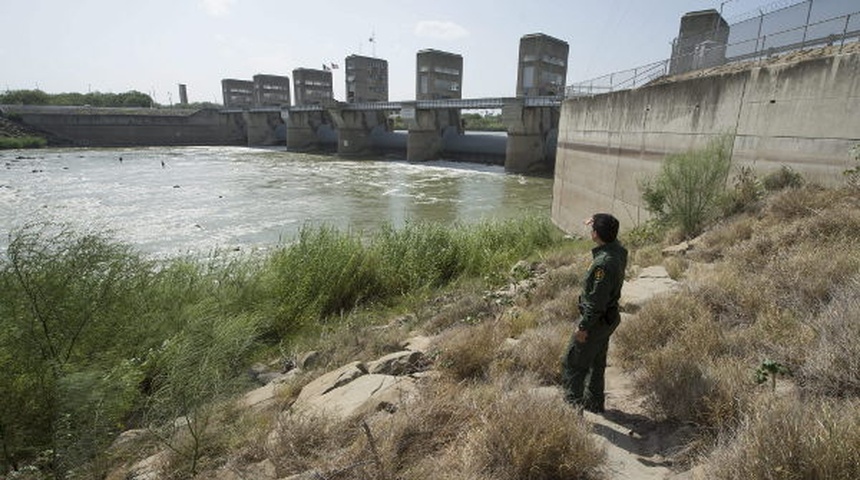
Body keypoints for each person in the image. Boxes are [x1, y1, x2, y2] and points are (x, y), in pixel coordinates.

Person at [562, 213, 628, 413]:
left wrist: (583, 327)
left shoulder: (603, 264)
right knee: (596, 363)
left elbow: (596, 301)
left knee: (573, 363)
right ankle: (594, 404)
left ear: (597, 234)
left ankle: (573, 412)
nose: (591, 231)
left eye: (593, 229)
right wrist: (599, 219)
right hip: (608, 319)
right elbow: (611, 233)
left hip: (596, 321)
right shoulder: (618, 251)